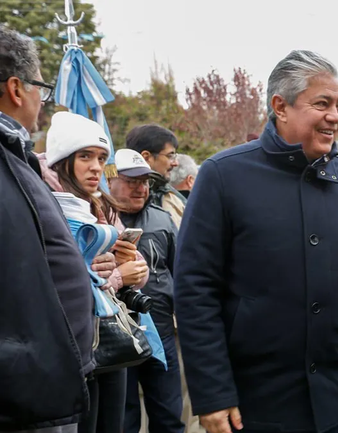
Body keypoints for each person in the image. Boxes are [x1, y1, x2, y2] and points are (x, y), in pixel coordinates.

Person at [175, 50, 338, 433]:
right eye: (322, 104)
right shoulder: (223, 176)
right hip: (253, 402)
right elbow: (195, 291)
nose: (336, 117)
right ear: (281, 106)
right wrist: (212, 392)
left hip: (337, 399)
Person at [0, 26, 116, 433]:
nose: (41, 100)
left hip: (50, 375)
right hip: (24, 385)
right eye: (40, 89)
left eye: (102, 157)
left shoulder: (14, 155)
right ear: (16, 88)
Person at [42, 111, 152, 433]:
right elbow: (59, 282)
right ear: (63, 159)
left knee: (112, 424)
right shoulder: (48, 205)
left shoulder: (100, 204)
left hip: (108, 340)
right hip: (71, 342)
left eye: (102, 157)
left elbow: (138, 271)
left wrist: (129, 264)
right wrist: (116, 277)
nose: (95, 166)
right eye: (85, 155)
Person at [105, 148, 184, 433]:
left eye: (146, 181)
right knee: (123, 419)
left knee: (169, 415)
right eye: (132, 181)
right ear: (110, 179)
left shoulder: (163, 220)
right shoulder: (98, 222)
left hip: (161, 333)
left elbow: (182, 273)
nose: (141, 188)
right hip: (116, 335)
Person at [126, 124, 186, 227]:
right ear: (146, 158)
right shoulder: (120, 199)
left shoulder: (171, 196)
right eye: (170, 156)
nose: (175, 163)